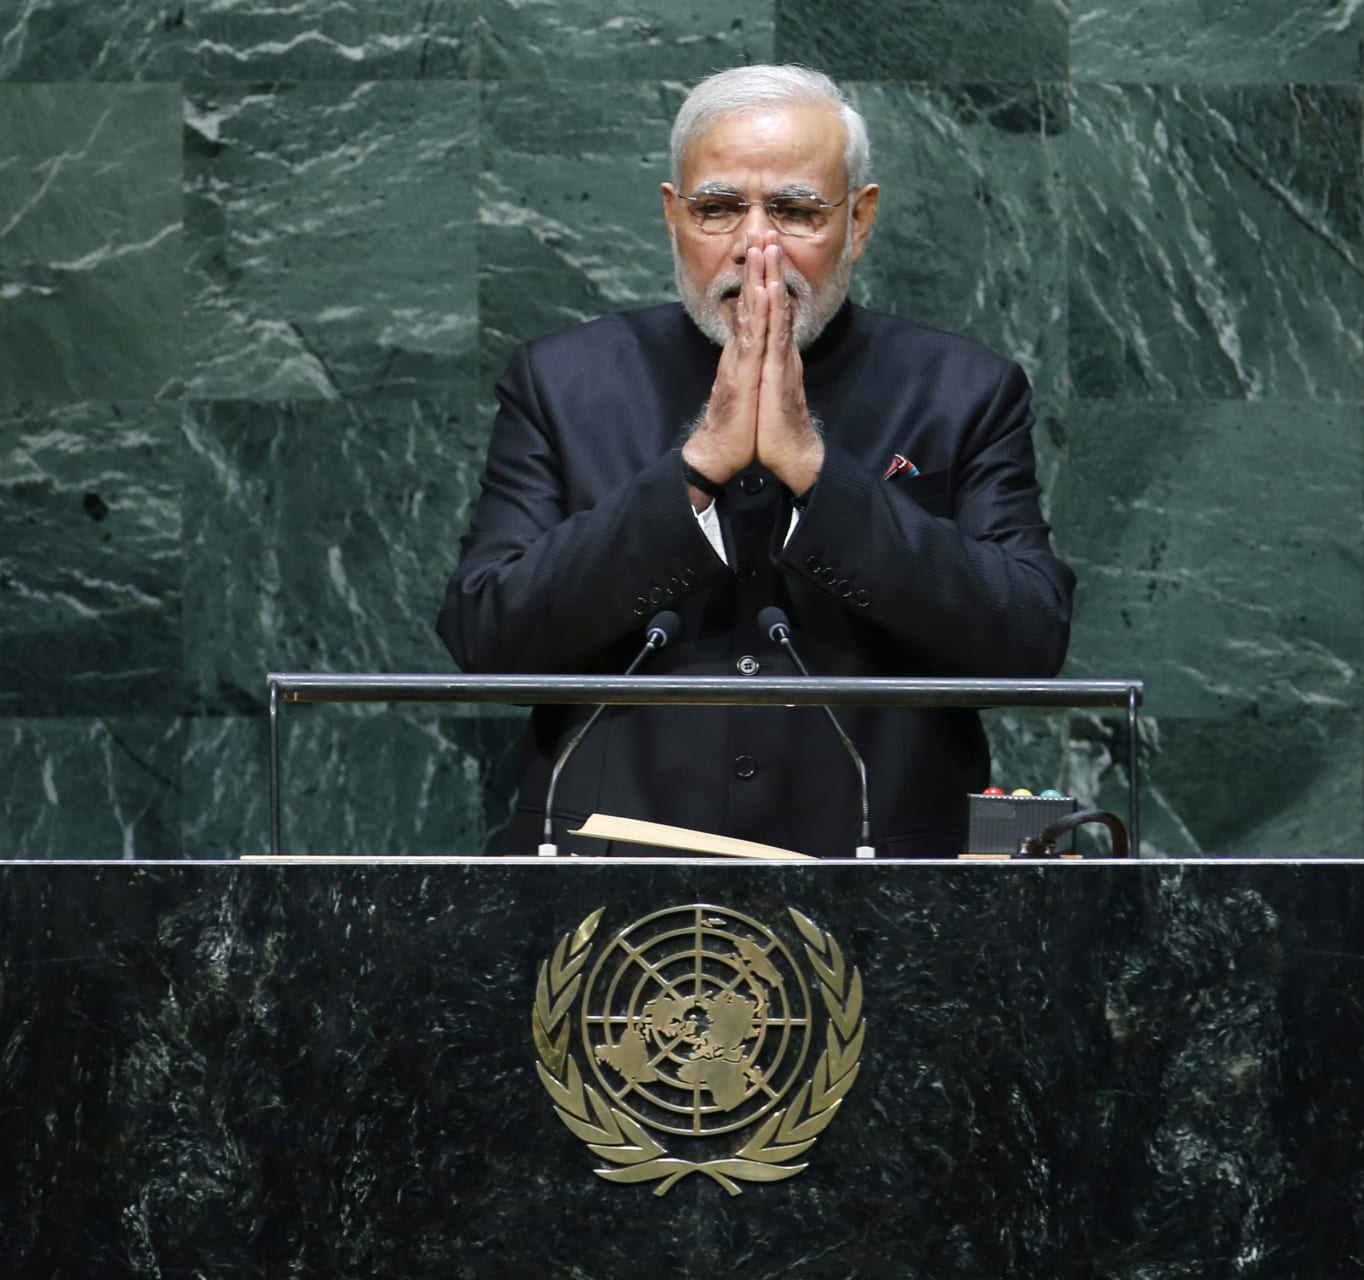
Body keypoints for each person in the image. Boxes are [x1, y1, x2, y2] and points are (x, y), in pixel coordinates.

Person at [437, 64, 1075, 857]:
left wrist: (817, 471)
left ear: (860, 219)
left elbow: (1028, 638)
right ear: (673, 216)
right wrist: (696, 467)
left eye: (797, 210)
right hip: (608, 885)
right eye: (719, 209)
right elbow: (488, 638)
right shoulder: (561, 382)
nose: (757, 245)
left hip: (885, 884)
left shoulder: (966, 390)